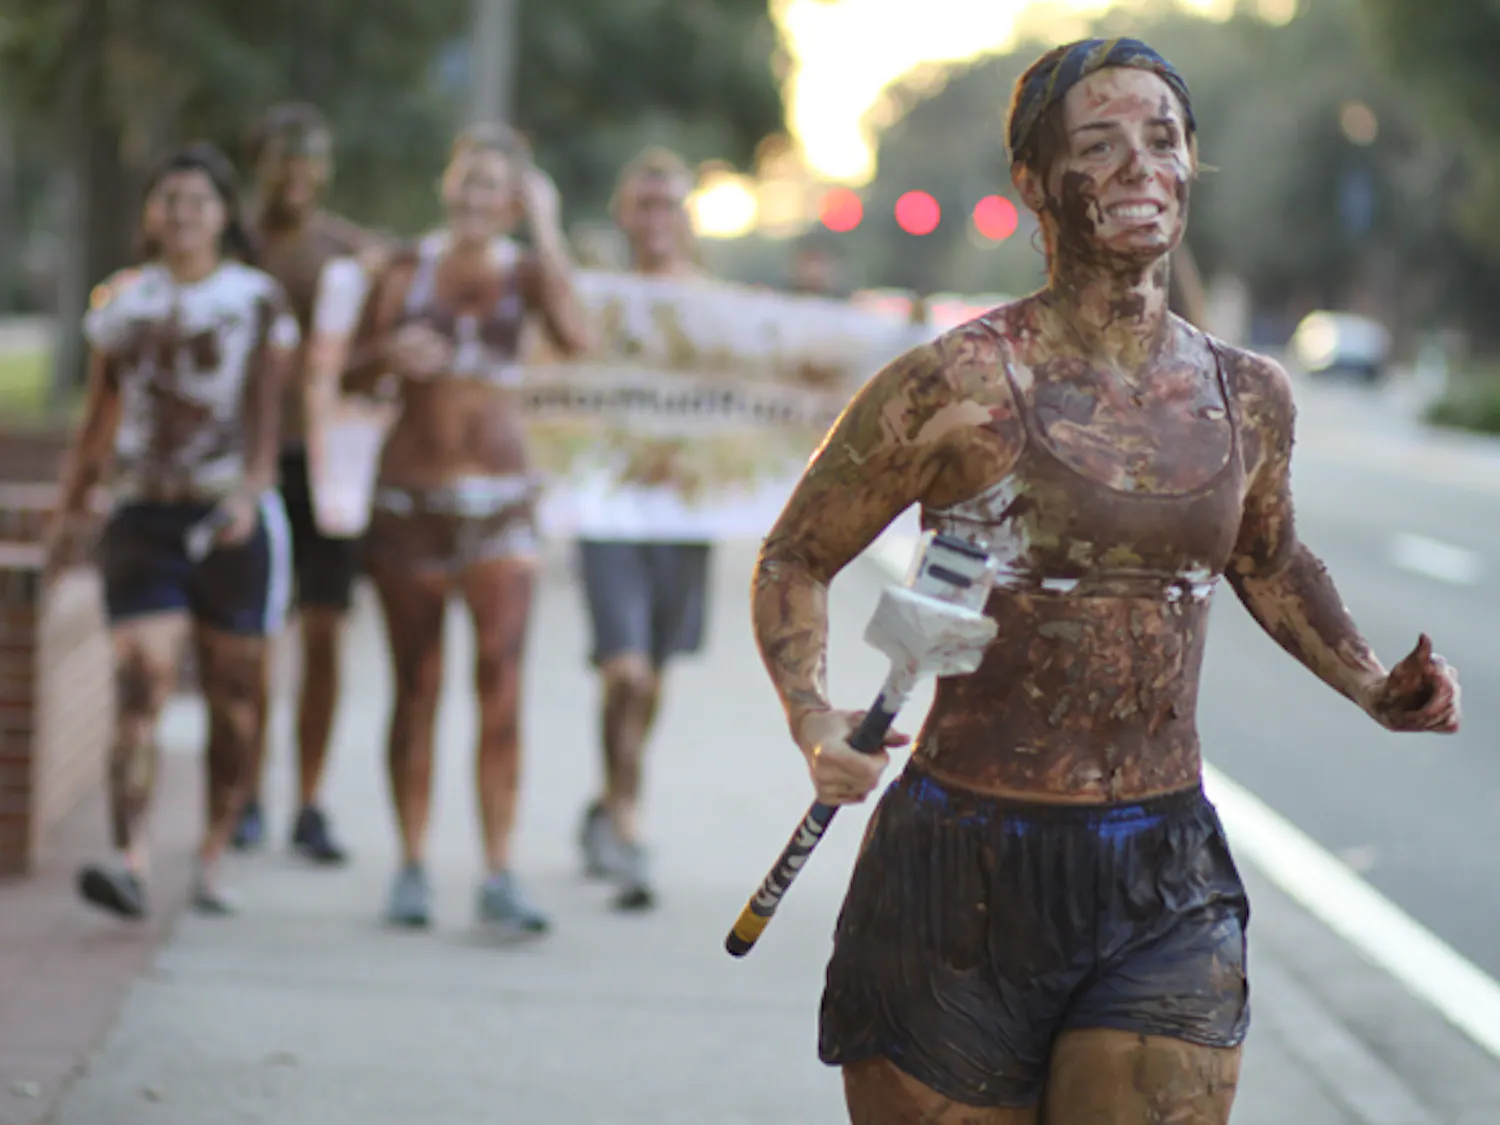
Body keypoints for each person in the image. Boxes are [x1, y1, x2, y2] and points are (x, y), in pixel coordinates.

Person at [749, 39, 1462, 1125]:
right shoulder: (959, 384)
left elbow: (1266, 560)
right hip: (961, 876)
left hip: (1161, 874)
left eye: (1162, 140)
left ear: (1189, 166)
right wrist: (812, 715)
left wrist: (1373, 686)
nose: (1139, 166)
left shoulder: (1248, 395)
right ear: (1035, 184)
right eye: (1099, 145)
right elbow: (796, 553)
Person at [45, 142, 298, 918]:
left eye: (197, 201)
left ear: (224, 216)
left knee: (235, 701)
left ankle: (215, 854)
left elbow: (267, 420)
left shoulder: (255, 300)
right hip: (143, 511)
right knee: (141, 682)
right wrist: (69, 508)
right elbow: (99, 417)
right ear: (150, 215)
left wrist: (250, 494)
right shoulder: (121, 302)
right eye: (169, 200)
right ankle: (129, 860)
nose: (182, 214)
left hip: (227, 513)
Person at [351, 124, 587, 932]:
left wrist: (549, 227)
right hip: (410, 503)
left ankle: (498, 871)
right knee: (415, 688)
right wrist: (388, 352)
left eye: (498, 187)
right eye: (469, 181)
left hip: (502, 505)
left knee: (502, 688)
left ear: (514, 199)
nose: (479, 198)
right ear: (447, 186)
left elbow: (578, 337)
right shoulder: (405, 268)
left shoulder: (526, 269)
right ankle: (412, 864)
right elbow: (350, 369)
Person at [232, 102, 384, 864]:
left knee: (325, 632)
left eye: (309, 159)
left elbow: (380, 341)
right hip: (250, 462)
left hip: (326, 467)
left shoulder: (349, 252)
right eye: (282, 159)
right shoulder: (237, 249)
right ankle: (247, 795)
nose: (296, 174)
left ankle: (311, 800)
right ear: (259, 164)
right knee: (257, 636)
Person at [573, 148, 711, 912]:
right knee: (622, 669)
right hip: (609, 508)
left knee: (651, 676)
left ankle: (607, 796)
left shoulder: (715, 304)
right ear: (625, 215)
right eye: (644, 204)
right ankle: (629, 821)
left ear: (687, 217)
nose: (656, 219)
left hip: (685, 515)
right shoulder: (595, 301)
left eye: (670, 204)